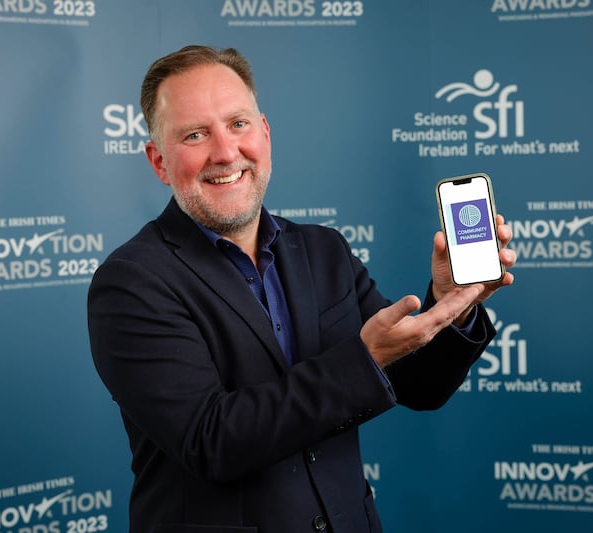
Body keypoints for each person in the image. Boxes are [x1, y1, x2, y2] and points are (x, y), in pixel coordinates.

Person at [87, 45, 516, 533]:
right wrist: (365, 358)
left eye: (238, 124)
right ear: (159, 161)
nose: (225, 152)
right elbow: (210, 441)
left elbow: (419, 385)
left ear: (265, 134)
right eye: (195, 134)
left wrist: (453, 304)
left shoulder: (323, 249)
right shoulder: (131, 282)